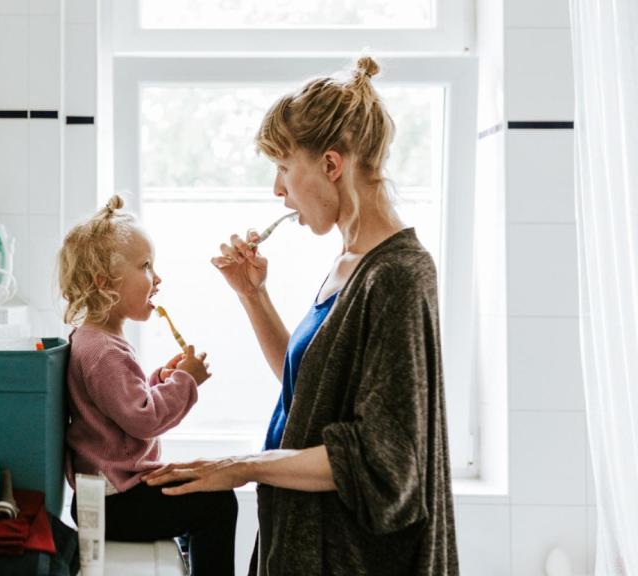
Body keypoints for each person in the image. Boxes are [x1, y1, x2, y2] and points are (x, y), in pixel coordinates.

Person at [143, 56, 459, 575]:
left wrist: (240, 467)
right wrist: (253, 296)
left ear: (332, 165)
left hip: (355, 558)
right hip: (302, 540)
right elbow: (311, 394)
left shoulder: (399, 275)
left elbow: (384, 460)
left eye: (284, 168)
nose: (277, 191)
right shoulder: (349, 263)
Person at [57, 195, 239, 576]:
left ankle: (191, 559)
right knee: (218, 502)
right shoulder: (104, 350)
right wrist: (186, 381)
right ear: (104, 283)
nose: (157, 278)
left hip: (108, 497)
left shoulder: (94, 340)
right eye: (145, 266)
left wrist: (160, 379)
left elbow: (120, 403)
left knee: (200, 488)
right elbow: (142, 419)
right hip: (116, 502)